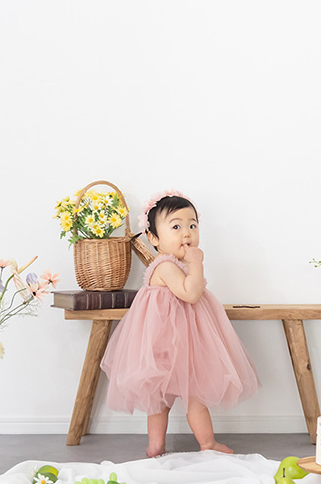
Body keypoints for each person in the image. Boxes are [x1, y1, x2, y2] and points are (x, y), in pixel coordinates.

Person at [100, 190, 260, 457]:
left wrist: (191, 264)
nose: (187, 233)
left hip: (185, 343)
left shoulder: (176, 264)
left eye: (192, 226)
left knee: (186, 396)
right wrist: (197, 263)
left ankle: (187, 444)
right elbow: (191, 293)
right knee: (166, 399)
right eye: (176, 227)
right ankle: (172, 445)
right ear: (154, 238)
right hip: (168, 346)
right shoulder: (165, 266)